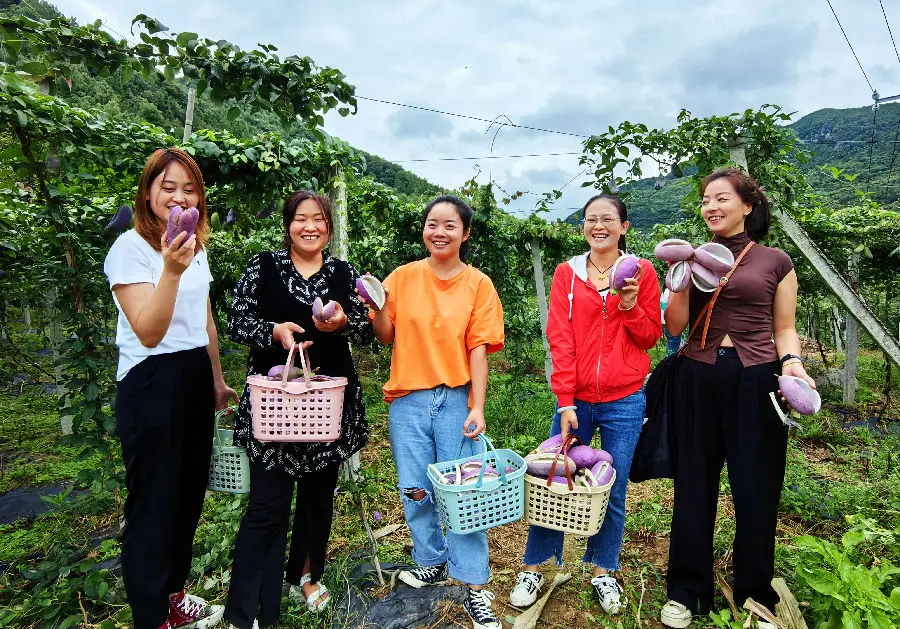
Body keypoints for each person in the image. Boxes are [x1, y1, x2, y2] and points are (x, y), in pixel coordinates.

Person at [659, 169, 816, 629]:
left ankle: (755, 591)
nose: (711, 206)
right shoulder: (691, 259)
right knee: (694, 484)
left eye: (721, 198)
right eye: (706, 199)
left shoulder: (775, 261)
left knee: (757, 487)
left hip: (757, 379)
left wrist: (792, 363)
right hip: (698, 374)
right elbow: (674, 328)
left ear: (747, 205)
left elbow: (784, 327)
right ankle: (687, 591)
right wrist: (680, 282)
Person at [223, 191, 372, 629]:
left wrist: (345, 322)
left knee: (317, 498)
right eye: (301, 219)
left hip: (328, 403)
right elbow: (236, 321)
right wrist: (273, 331)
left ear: (329, 226)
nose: (310, 227)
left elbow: (367, 329)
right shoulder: (263, 266)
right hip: (276, 405)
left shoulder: (343, 273)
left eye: (319, 219)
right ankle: (248, 606)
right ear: (287, 224)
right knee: (267, 504)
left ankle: (305, 576)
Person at [508, 194, 661, 616]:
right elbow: (559, 337)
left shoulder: (642, 273)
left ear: (624, 227)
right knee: (554, 478)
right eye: (592, 219)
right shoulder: (567, 274)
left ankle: (602, 569)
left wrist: (629, 307)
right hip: (575, 397)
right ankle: (537, 565)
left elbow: (650, 336)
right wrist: (565, 400)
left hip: (625, 398)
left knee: (611, 484)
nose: (599, 226)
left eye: (608, 219)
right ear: (584, 228)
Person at [103, 147, 237, 629]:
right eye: (168, 187)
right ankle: (149, 613)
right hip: (151, 378)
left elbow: (204, 320)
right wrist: (171, 270)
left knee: (186, 495)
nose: (180, 196)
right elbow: (149, 331)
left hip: (193, 374)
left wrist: (217, 379)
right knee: (154, 500)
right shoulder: (131, 250)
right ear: (148, 193)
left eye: (189, 188)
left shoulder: (194, 247)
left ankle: (173, 596)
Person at [369, 195, 505, 629]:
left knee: (464, 495)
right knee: (414, 487)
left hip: (455, 400)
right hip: (407, 401)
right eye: (432, 224)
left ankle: (473, 585)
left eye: (450, 225)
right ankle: (430, 558)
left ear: (465, 233)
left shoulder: (478, 284)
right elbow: (385, 335)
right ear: (424, 230)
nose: (439, 232)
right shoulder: (403, 277)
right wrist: (374, 305)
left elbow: (478, 350)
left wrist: (478, 406)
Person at [661, 288, 683, 356]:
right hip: (673, 325)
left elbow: (662, 309)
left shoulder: (666, 291)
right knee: (673, 352)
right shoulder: (673, 293)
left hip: (666, 324)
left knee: (672, 345)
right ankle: (670, 363)